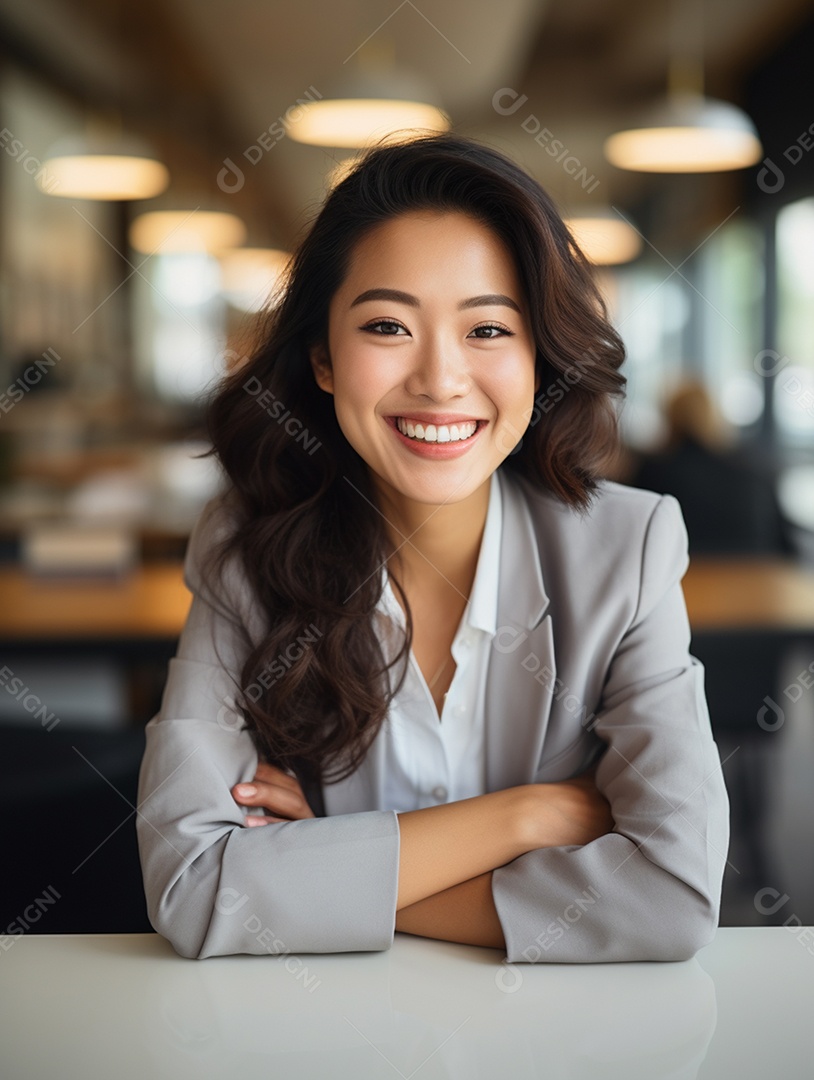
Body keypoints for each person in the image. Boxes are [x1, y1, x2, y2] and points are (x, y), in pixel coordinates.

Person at [136, 131, 729, 964]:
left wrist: (334, 862)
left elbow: (669, 900)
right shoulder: (245, 553)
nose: (441, 380)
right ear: (324, 360)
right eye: (388, 325)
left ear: (538, 357)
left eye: (488, 330)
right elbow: (193, 886)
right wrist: (530, 816)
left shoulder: (629, 551)